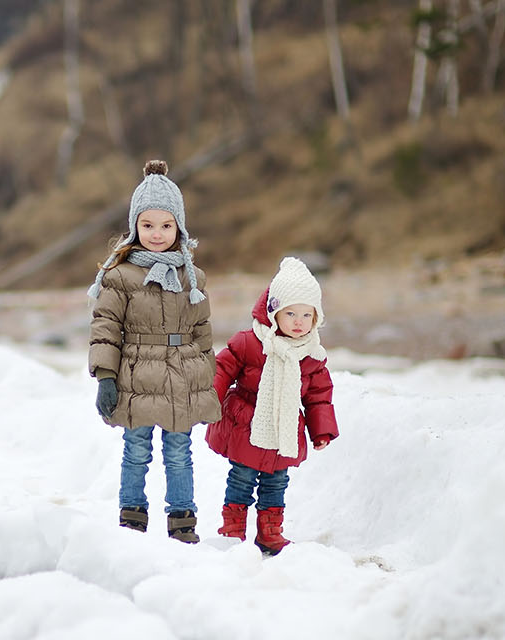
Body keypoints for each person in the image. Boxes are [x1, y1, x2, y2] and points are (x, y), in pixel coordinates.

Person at [88, 160, 220, 544]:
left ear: (178, 226)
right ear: (134, 227)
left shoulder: (192, 277)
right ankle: (132, 517)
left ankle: (182, 520)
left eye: (166, 226)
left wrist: (207, 375)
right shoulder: (120, 276)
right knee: (136, 449)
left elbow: (202, 330)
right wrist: (105, 377)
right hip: (136, 376)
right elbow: (106, 330)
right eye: (148, 225)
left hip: (181, 375)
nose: (157, 234)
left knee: (179, 452)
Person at [205, 257, 338, 555]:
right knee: (241, 478)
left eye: (307, 315)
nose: (298, 321)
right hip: (247, 425)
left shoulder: (312, 355)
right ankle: (233, 530)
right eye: (290, 313)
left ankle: (270, 532)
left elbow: (319, 396)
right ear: (274, 312)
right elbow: (222, 369)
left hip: (285, 431)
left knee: (276, 484)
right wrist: (210, 397)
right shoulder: (250, 342)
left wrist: (322, 431)